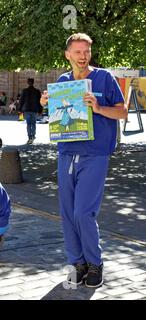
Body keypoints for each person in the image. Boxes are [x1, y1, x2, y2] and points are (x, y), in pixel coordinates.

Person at [40, 33, 127, 288]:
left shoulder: (104, 78)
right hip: (66, 153)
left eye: (86, 51)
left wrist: (99, 108)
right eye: (77, 52)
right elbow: (59, 114)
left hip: (95, 154)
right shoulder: (62, 81)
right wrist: (47, 103)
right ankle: (77, 263)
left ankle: (95, 262)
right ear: (67, 55)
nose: (82, 56)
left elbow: (122, 111)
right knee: (67, 213)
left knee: (83, 212)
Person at [20, 78, 42, 144]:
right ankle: (33, 136)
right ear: (33, 82)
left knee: (28, 124)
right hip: (34, 109)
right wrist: (40, 110)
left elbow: (21, 100)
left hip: (27, 109)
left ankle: (30, 137)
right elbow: (39, 101)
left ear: (28, 83)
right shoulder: (37, 91)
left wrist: (20, 109)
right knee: (33, 123)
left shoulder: (24, 91)